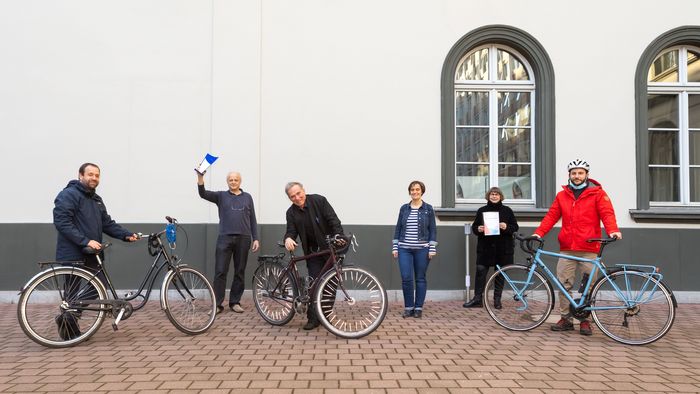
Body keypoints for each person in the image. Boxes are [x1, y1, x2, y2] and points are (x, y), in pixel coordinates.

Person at [533, 159, 622, 336]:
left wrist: (613, 230)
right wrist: (539, 233)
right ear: (569, 175)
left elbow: (607, 213)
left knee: (587, 287)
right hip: (567, 248)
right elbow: (551, 216)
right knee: (563, 284)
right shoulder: (562, 195)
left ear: (586, 175)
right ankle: (566, 318)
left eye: (580, 173)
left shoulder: (597, 193)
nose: (577, 176)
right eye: (574, 173)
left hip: (589, 247)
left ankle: (584, 320)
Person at [53, 163, 138, 339]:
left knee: (98, 287)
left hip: (92, 254)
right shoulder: (68, 195)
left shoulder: (96, 199)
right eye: (90, 174)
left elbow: (107, 223)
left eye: (97, 175)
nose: (94, 178)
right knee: (72, 293)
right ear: (80, 175)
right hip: (73, 253)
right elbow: (62, 222)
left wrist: (126, 235)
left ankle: (68, 319)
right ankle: (69, 329)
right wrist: (85, 241)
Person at [284, 182, 344, 330]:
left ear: (303, 190)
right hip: (313, 253)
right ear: (289, 198)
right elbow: (291, 230)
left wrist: (338, 235)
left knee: (330, 284)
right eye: (293, 196)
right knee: (315, 284)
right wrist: (288, 238)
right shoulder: (291, 213)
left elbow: (333, 220)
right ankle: (313, 318)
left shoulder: (319, 201)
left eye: (299, 193)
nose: (297, 198)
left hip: (330, 249)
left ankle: (325, 316)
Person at [198, 171, 260, 314]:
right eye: (230, 180)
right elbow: (203, 193)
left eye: (236, 180)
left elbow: (253, 219)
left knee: (239, 271)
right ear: (227, 182)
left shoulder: (248, 197)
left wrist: (255, 237)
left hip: (243, 239)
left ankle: (235, 302)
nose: (233, 182)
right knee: (220, 271)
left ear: (240, 181)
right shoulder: (221, 196)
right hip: (224, 238)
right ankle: (218, 304)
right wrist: (200, 177)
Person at [463, 186, 519, 309]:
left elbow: (515, 227)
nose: (494, 196)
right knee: (480, 272)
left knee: (500, 275)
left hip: (503, 249)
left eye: (496, 194)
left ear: (500, 197)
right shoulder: (482, 210)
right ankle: (478, 299)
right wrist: (478, 229)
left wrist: (506, 226)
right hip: (486, 248)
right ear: (488, 196)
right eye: (492, 194)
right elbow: (475, 227)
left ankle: (497, 300)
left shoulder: (507, 210)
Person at [392, 180, 437, 319]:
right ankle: (408, 307)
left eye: (417, 189)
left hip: (422, 249)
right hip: (404, 248)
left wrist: (432, 248)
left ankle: (418, 308)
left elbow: (433, 230)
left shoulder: (428, 209)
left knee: (420, 278)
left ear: (422, 191)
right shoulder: (404, 208)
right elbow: (398, 228)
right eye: (412, 190)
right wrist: (395, 246)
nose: (415, 192)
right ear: (410, 192)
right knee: (406, 278)